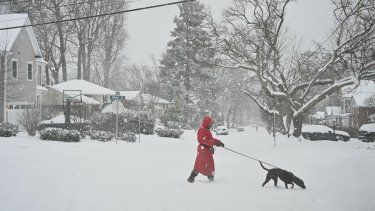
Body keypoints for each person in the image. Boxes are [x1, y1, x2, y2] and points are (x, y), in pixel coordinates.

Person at [187, 116, 224, 183]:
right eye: (210, 124)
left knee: (200, 164)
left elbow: (210, 139)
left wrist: (218, 142)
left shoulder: (206, 130)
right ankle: (210, 178)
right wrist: (213, 143)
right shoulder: (201, 130)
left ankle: (192, 177)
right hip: (203, 150)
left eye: (212, 124)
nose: (211, 125)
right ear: (207, 123)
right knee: (208, 164)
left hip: (206, 150)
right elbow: (203, 140)